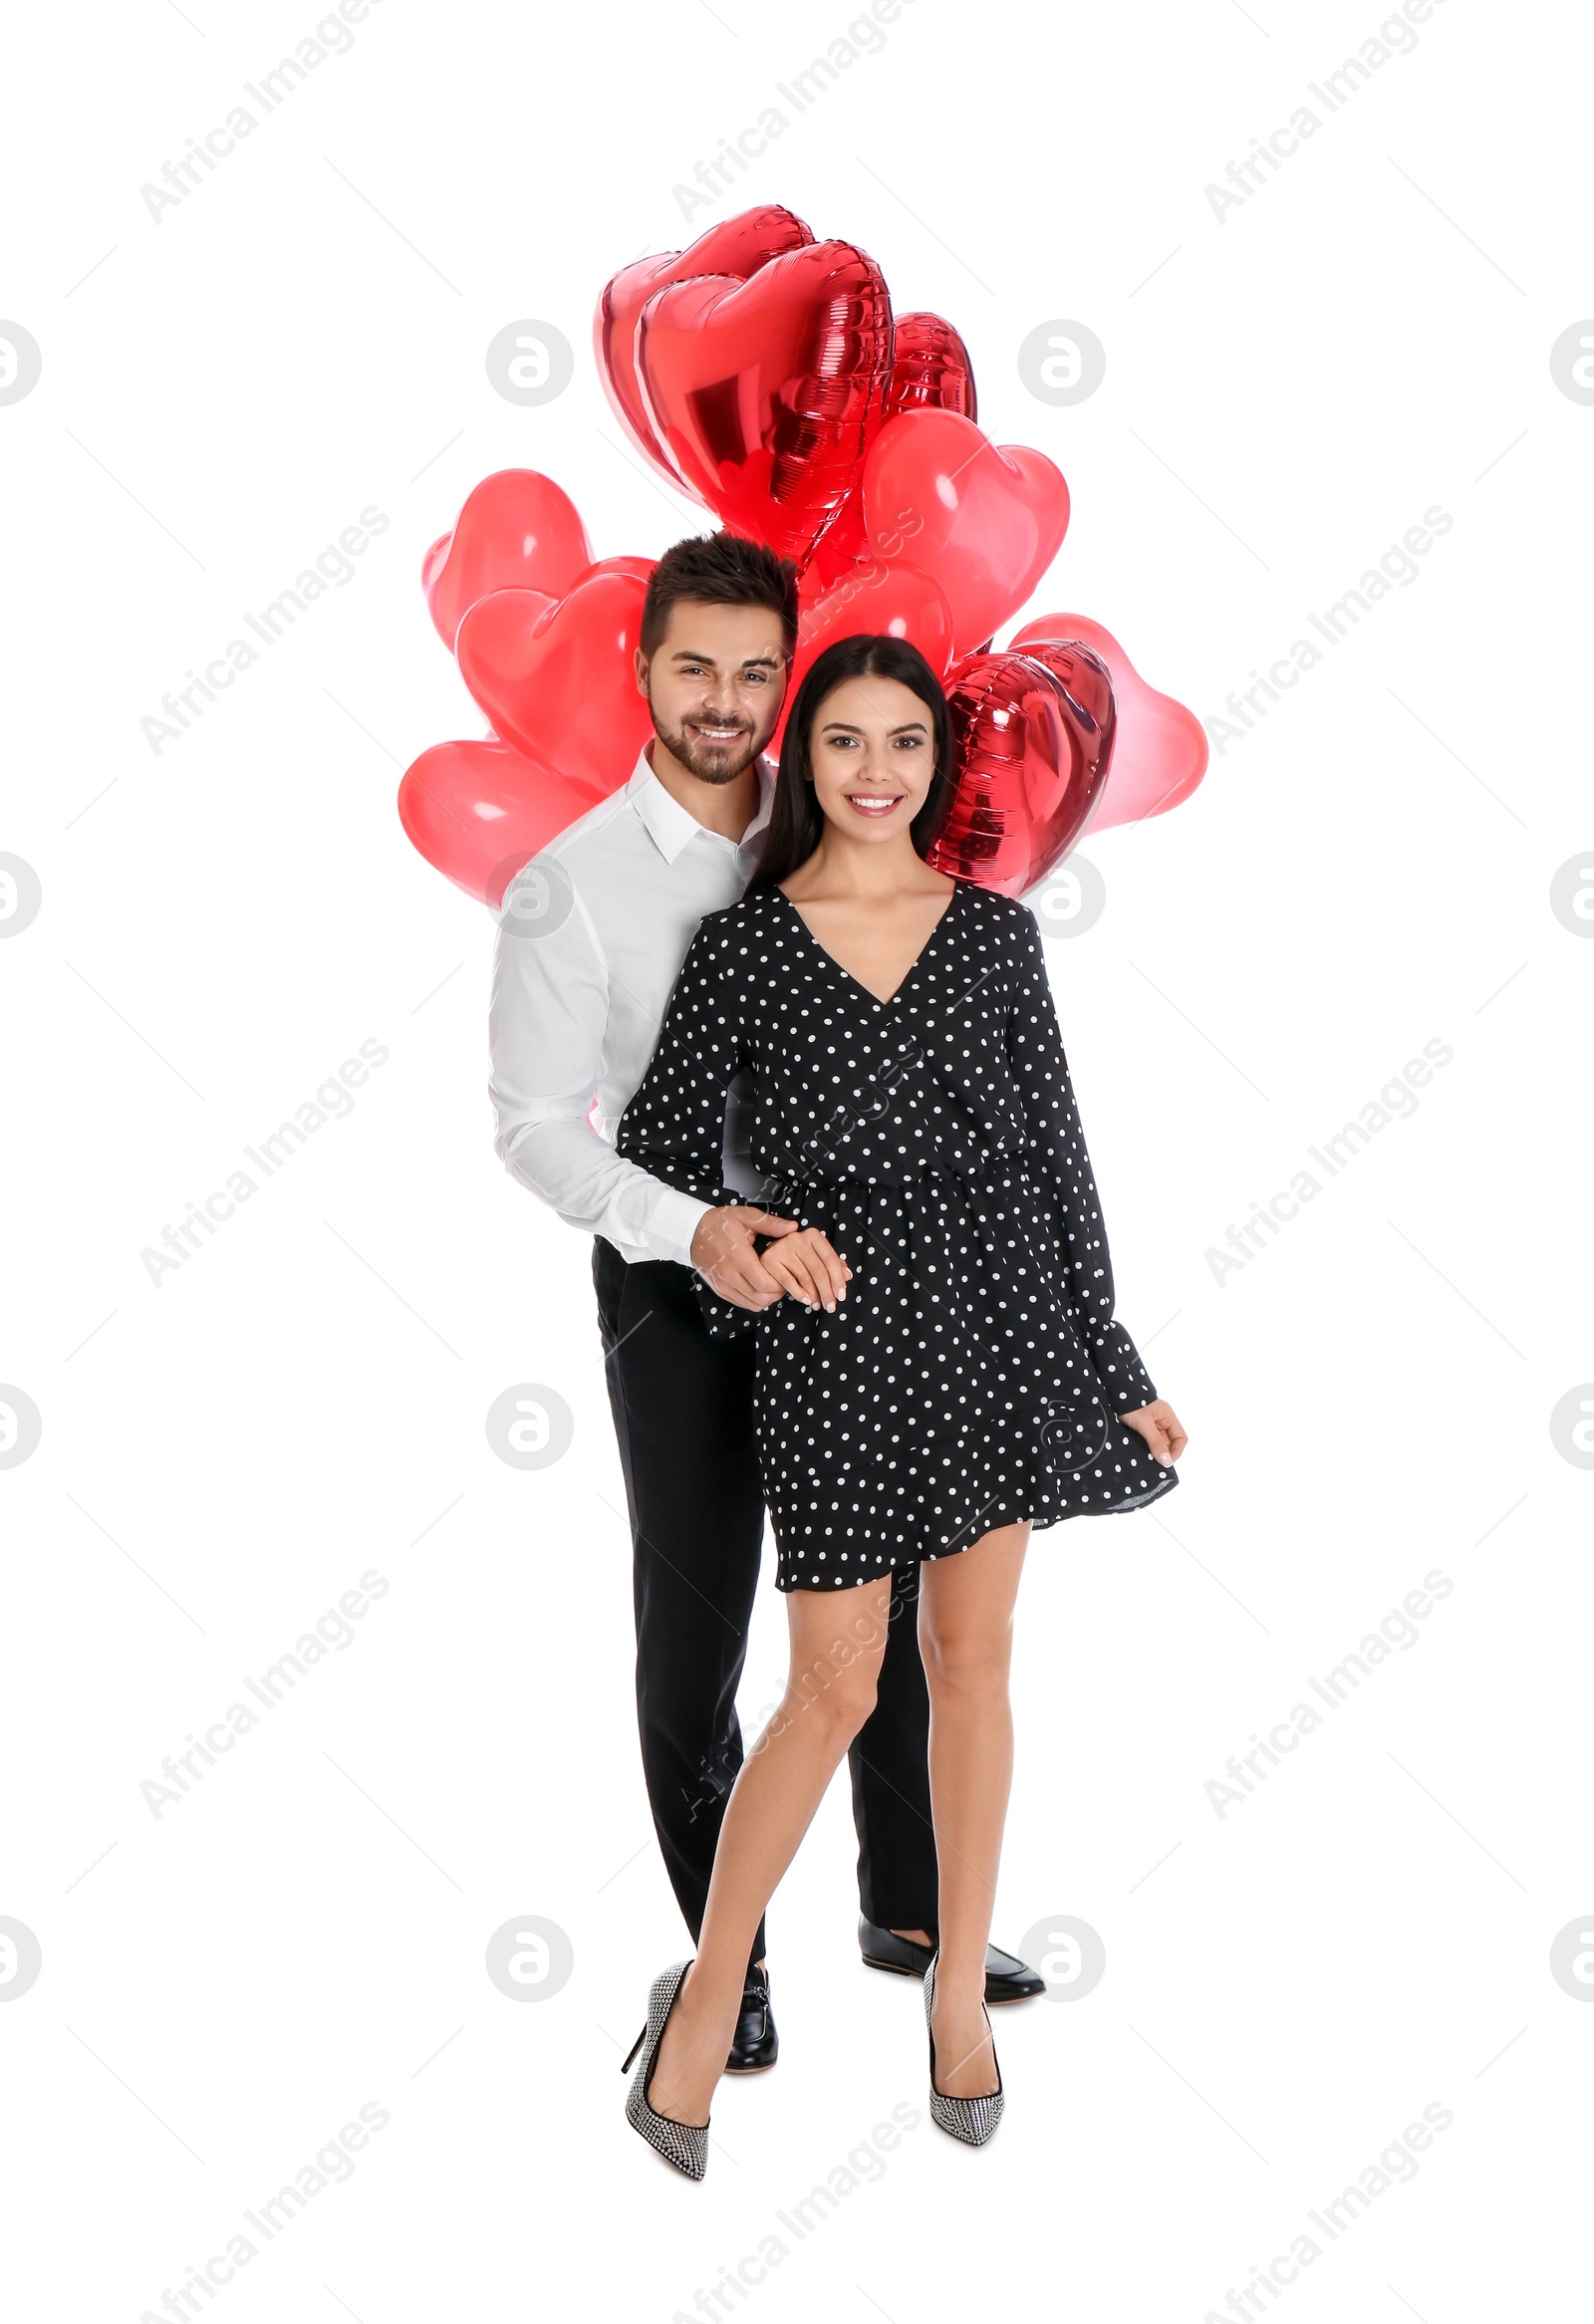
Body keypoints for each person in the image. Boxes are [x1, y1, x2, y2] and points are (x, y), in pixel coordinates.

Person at [614, 633, 1189, 2175]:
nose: (879, 770)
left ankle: (957, 1997)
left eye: (909, 744)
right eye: (849, 741)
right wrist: (756, 1240)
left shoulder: (998, 939)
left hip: (998, 1322)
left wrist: (1114, 1364)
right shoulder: (743, 949)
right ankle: (707, 1991)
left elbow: (1062, 1167)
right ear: (804, 759)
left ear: (939, 764)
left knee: (973, 1661)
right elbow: (666, 1161)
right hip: (841, 1339)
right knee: (831, 1689)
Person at [487, 538, 1045, 2084]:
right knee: (699, 1641)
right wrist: (694, 1230)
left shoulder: (842, 821)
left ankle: (915, 1908)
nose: (724, 702)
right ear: (642, 672)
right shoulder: (571, 883)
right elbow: (533, 1124)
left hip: (867, 1280)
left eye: (752, 672)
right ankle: (716, 1966)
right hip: (677, 1291)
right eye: (694, 668)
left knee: (896, 1605)